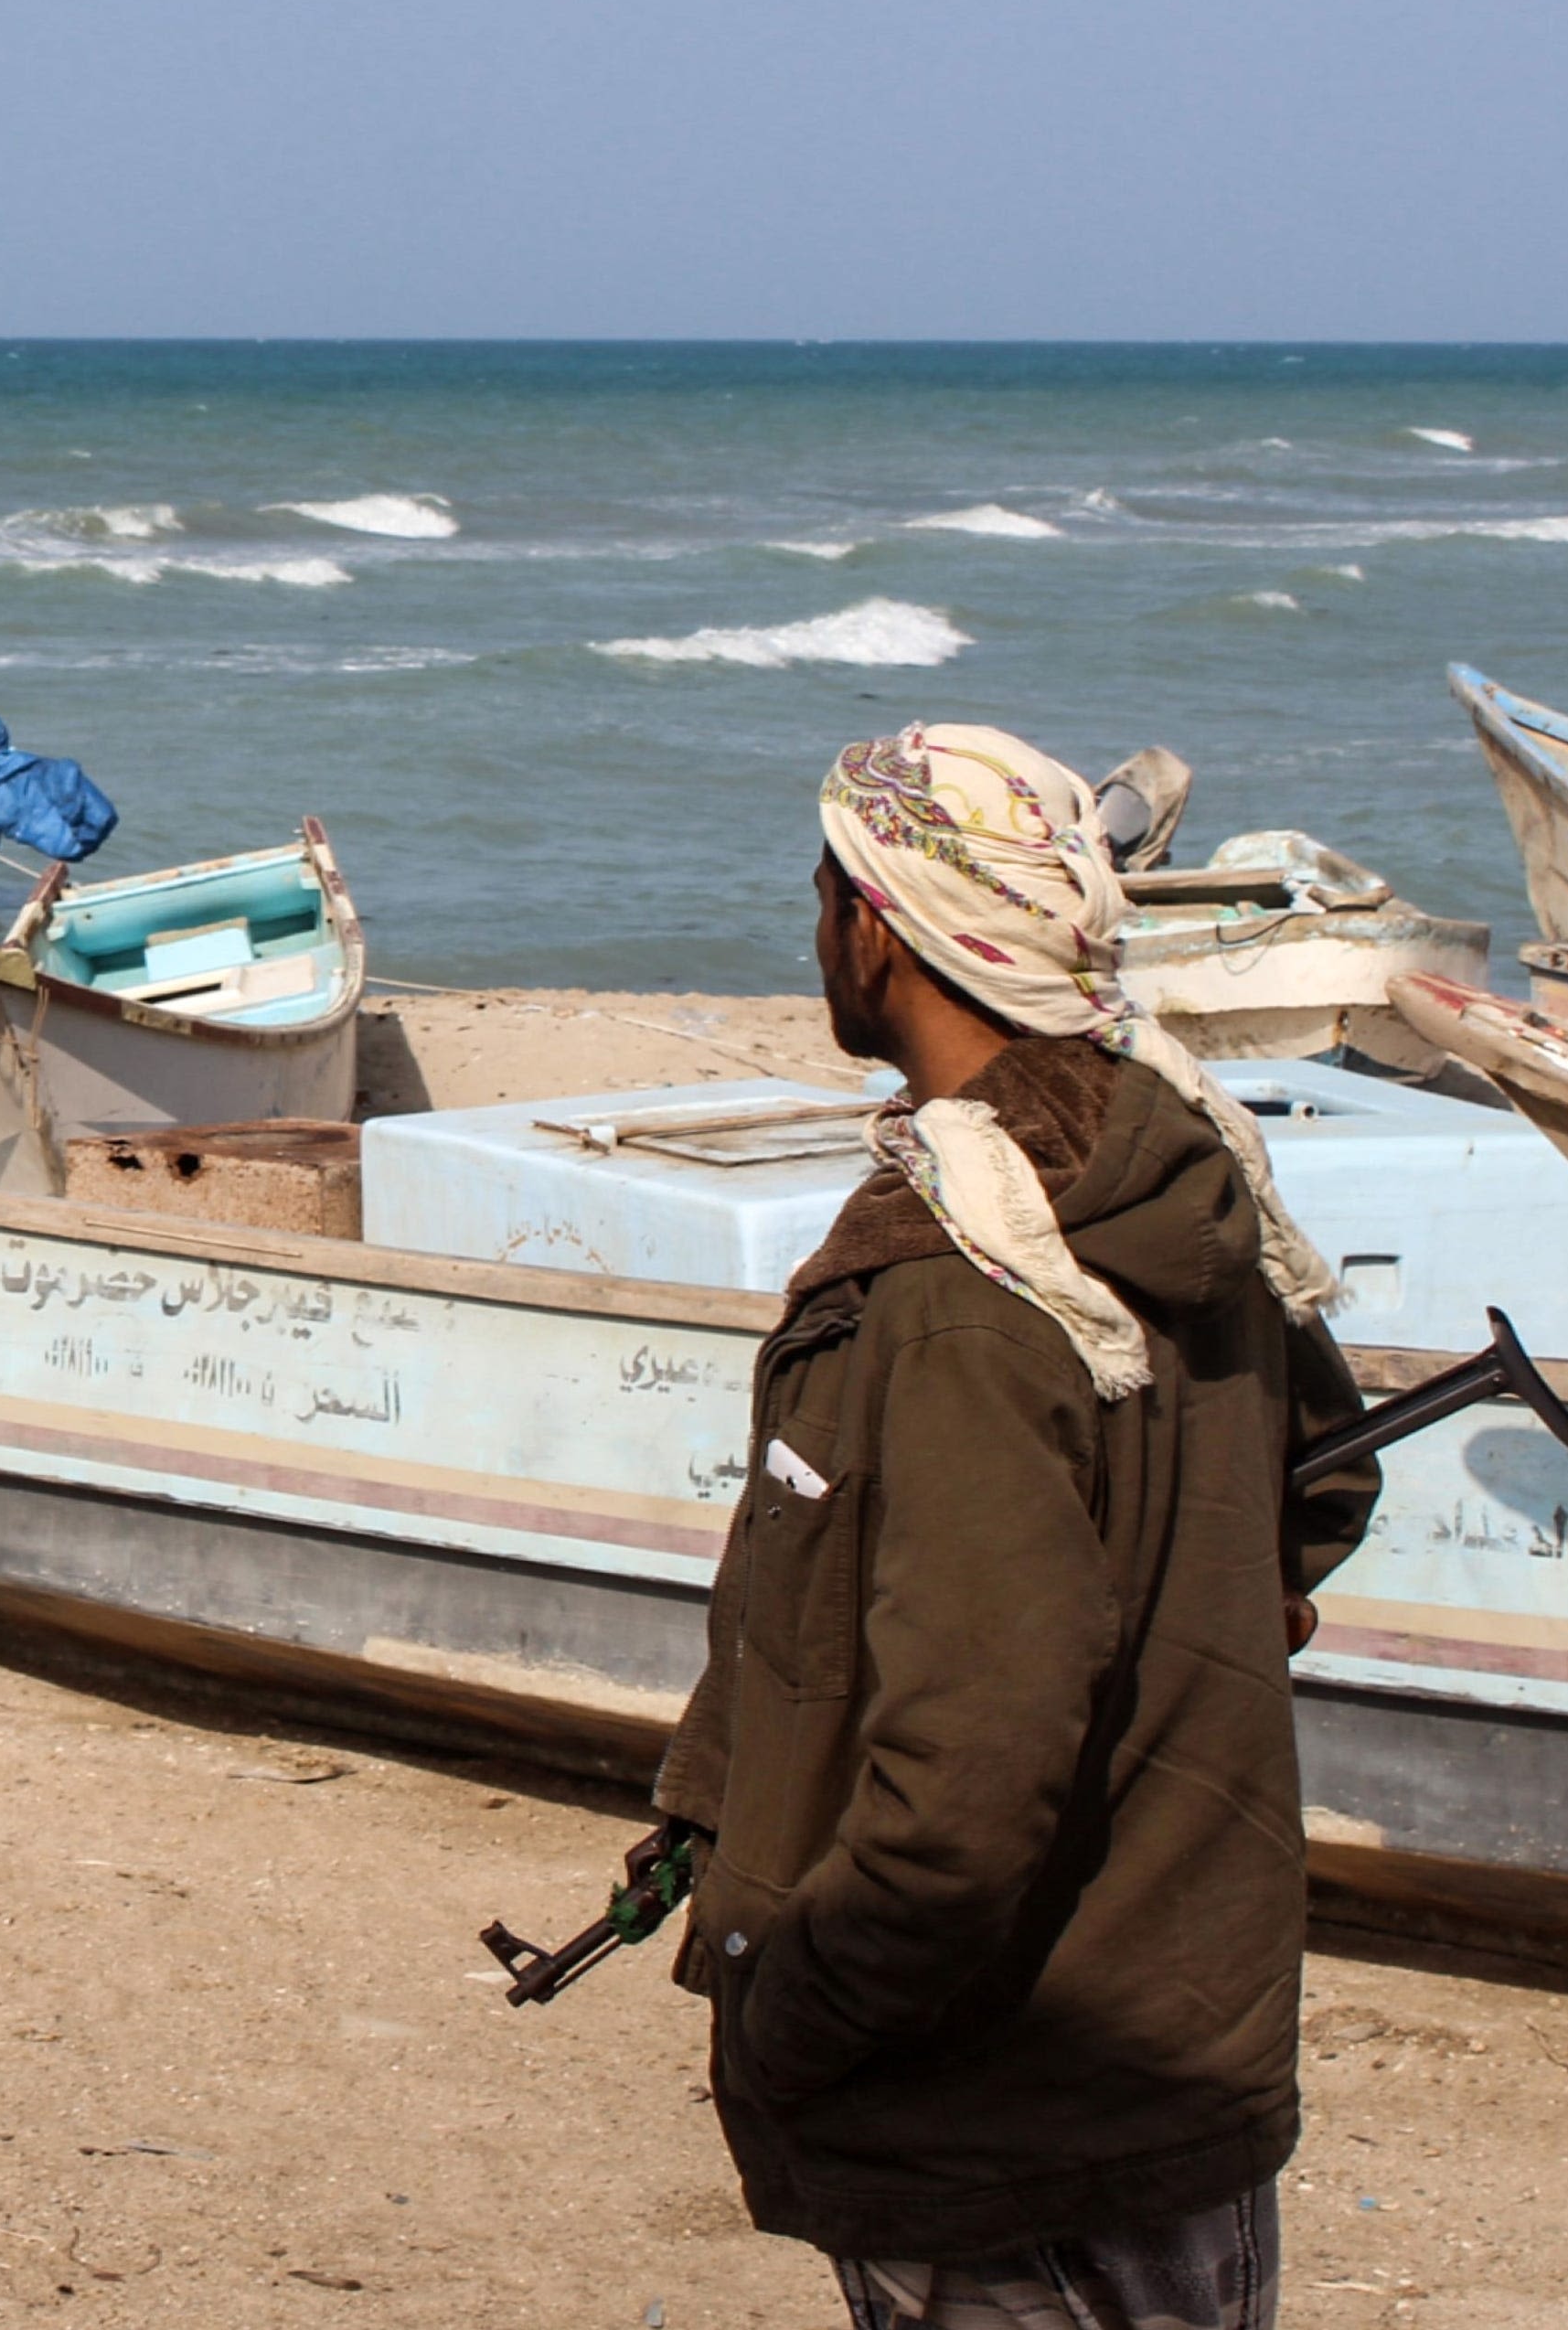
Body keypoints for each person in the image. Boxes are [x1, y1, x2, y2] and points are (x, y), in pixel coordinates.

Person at [652, 721, 1381, 2330]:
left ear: (872, 921)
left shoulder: (955, 1295)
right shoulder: (1167, 1155)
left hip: (1005, 2119)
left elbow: (957, 1798)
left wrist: (788, 2016)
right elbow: (1319, 1479)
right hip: (1173, 2056)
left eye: (824, 892)